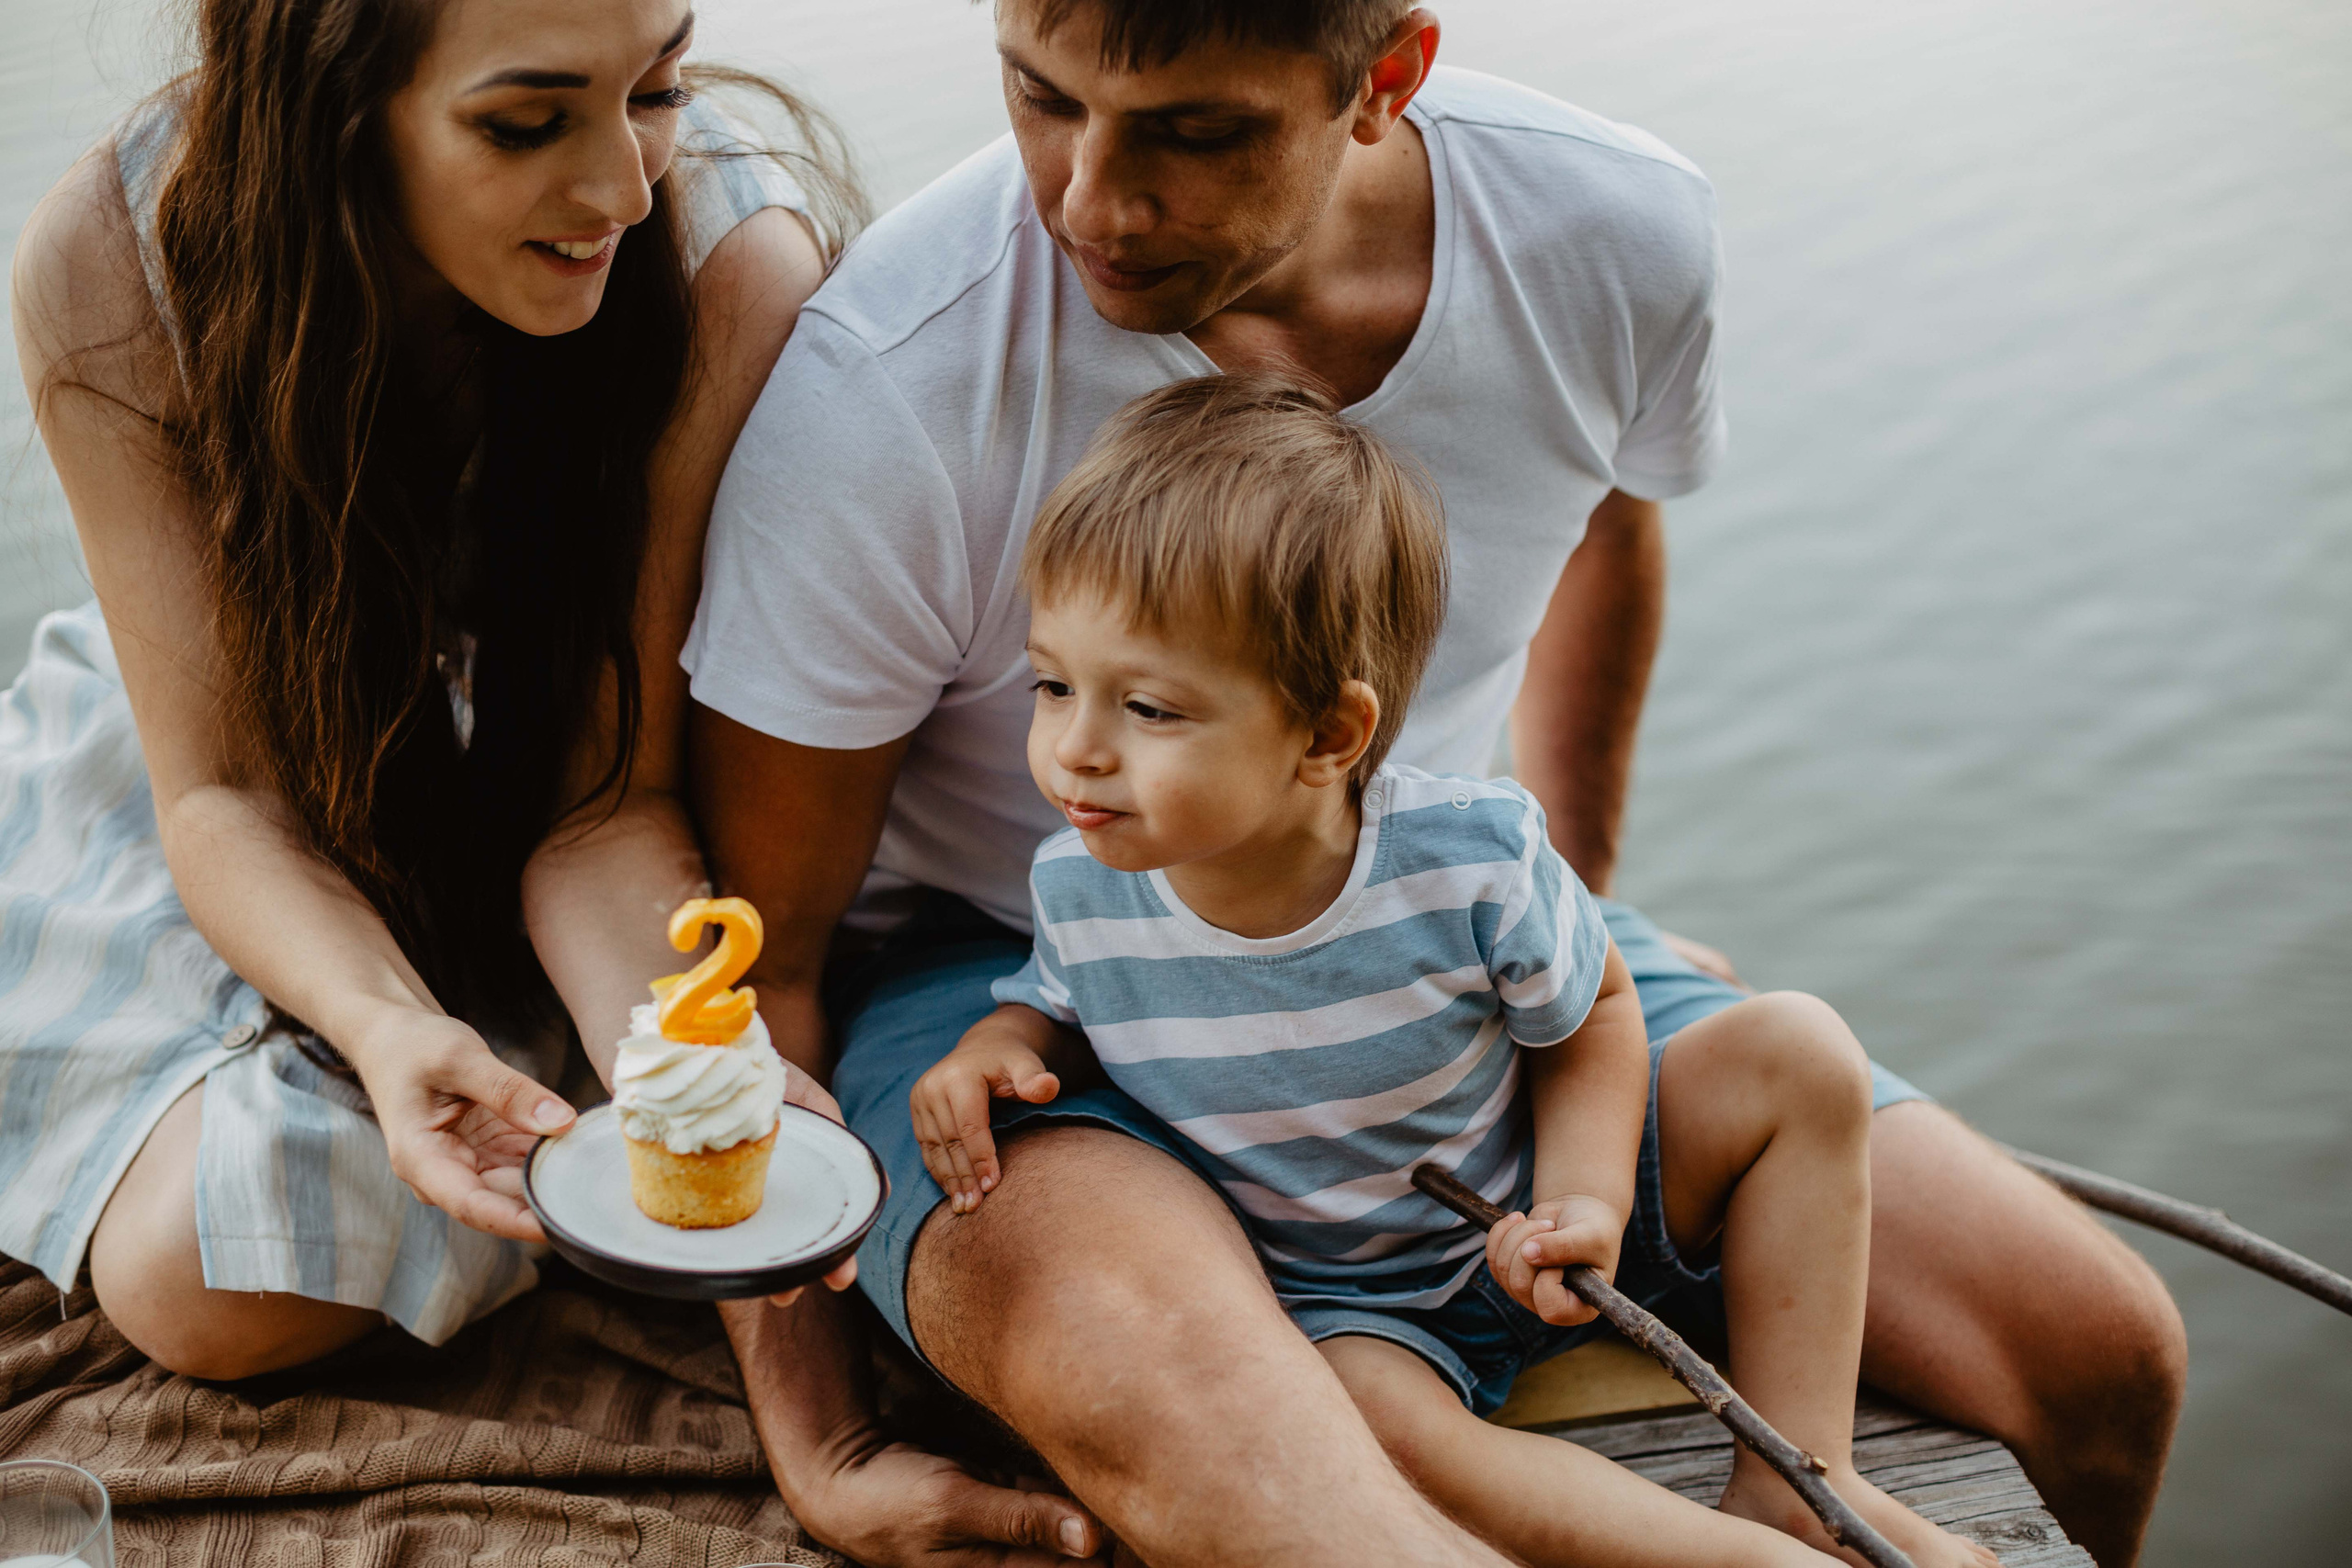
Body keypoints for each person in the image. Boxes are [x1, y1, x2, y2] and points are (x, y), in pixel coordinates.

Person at [687, 3, 2188, 1564]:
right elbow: (757, 958)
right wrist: (823, 1438)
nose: (1090, 202)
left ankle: (1800, 1492)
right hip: (1003, 960)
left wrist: (1574, 907)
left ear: (1384, 79)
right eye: (1040, 97)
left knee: (2097, 1351)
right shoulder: (893, 380)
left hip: (1410, 893)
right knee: (1295, 1474)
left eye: (1195, 131)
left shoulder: (1608, 232)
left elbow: (1601, 523)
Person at [911, 372, 2001, 1568]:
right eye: (1054, 685)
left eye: (1149, 710)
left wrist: (1582, 1201)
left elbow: (1596, 1015)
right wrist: (995, 1051)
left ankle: (1801, 1477)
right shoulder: (1084, 890)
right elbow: (1053, 1012)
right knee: (1369, 1431)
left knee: (1797, 1051)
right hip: (1353, 1313)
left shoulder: (1467, 857)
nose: (1075, 747)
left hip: (1536, 1208)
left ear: (1329, 734)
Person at [1, 0, 858, 1375]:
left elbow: (604, 800)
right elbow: (220, 791)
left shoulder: (726, 264)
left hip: (549, 820)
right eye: (527, 124)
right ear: (334, 106)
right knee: (205, 1275)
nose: (625, 193)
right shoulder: (113, 263)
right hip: (242, 751)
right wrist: (388, 1026)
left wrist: (687, 1080)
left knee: (222, 1274)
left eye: (659, 88)